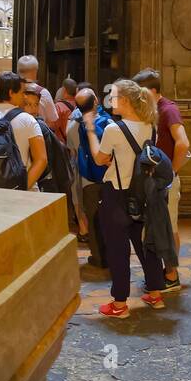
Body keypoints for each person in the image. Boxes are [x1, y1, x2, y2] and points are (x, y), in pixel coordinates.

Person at [80, 78, 166, 318]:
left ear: (125, 101)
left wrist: (89, 130)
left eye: (114, 97)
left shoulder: (113, 129)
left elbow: (99, 158)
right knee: (145, 245)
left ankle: (119, 304)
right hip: (142, 195)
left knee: (118, 250)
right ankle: (155, 295)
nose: (111, 101)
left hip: (116, 195)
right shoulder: (151, 126)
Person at [132, 67, 190, 291]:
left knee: (169, 227)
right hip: (155, 181)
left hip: (165, 180)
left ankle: (172, 274)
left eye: (141, 93)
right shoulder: (153, 110)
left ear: (153, 91)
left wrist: (171, 173)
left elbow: (183, 144)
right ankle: (164, 271)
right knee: (158, 226)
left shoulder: (169, 110)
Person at [24, 82, 83, 231]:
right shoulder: (28, 124)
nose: (32, 109)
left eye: (35, 105)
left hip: (39, 184)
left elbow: (45, 161)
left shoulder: (40, 127)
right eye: (28, 104)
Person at [69, 85, 111, 268]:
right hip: (108, 177)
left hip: (88, 178)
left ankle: (98, 256)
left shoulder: (77, 124)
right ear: (96, 101)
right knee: (109, 220)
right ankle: (110, 256)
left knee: (93, 219)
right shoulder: (106, 122)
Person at [14, 55, 59, 128]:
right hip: (38, 134)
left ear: (18, 71)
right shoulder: (43, 93)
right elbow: (52, 121)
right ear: (35, 71)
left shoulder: (12, 92)